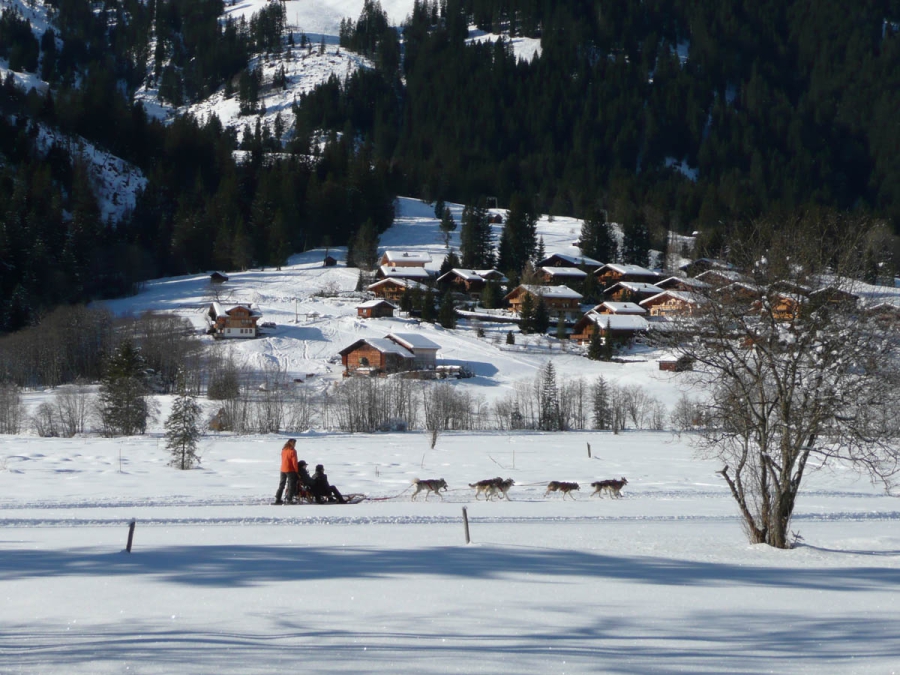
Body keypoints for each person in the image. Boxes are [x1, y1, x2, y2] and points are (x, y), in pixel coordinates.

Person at [273, 439, 299, 505]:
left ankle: (278, 498)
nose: (295, 445)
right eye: (294, 443)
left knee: (282, 484)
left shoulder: (284, 450)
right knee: (291, 485)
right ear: (291, 443)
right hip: (290, 470)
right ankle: (289, 499)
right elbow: (294, 462)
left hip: (283, 469)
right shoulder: (292, 451)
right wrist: (296, 471)